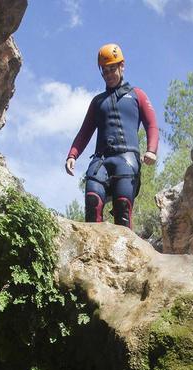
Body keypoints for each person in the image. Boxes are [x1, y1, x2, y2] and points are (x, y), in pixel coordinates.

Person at [64, 43, 159, 230]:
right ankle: (92, 254)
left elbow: (152, 125)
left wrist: (151, 150)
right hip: (100, 160)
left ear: (122, 66)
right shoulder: (97, 102)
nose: (108, 75)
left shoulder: (137, 95)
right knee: (92, 200)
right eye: (104, 71)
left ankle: (126, 256)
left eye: (112, 69)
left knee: (122, 208)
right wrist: (72, 155)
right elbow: (85, 131)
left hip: (127, 160)